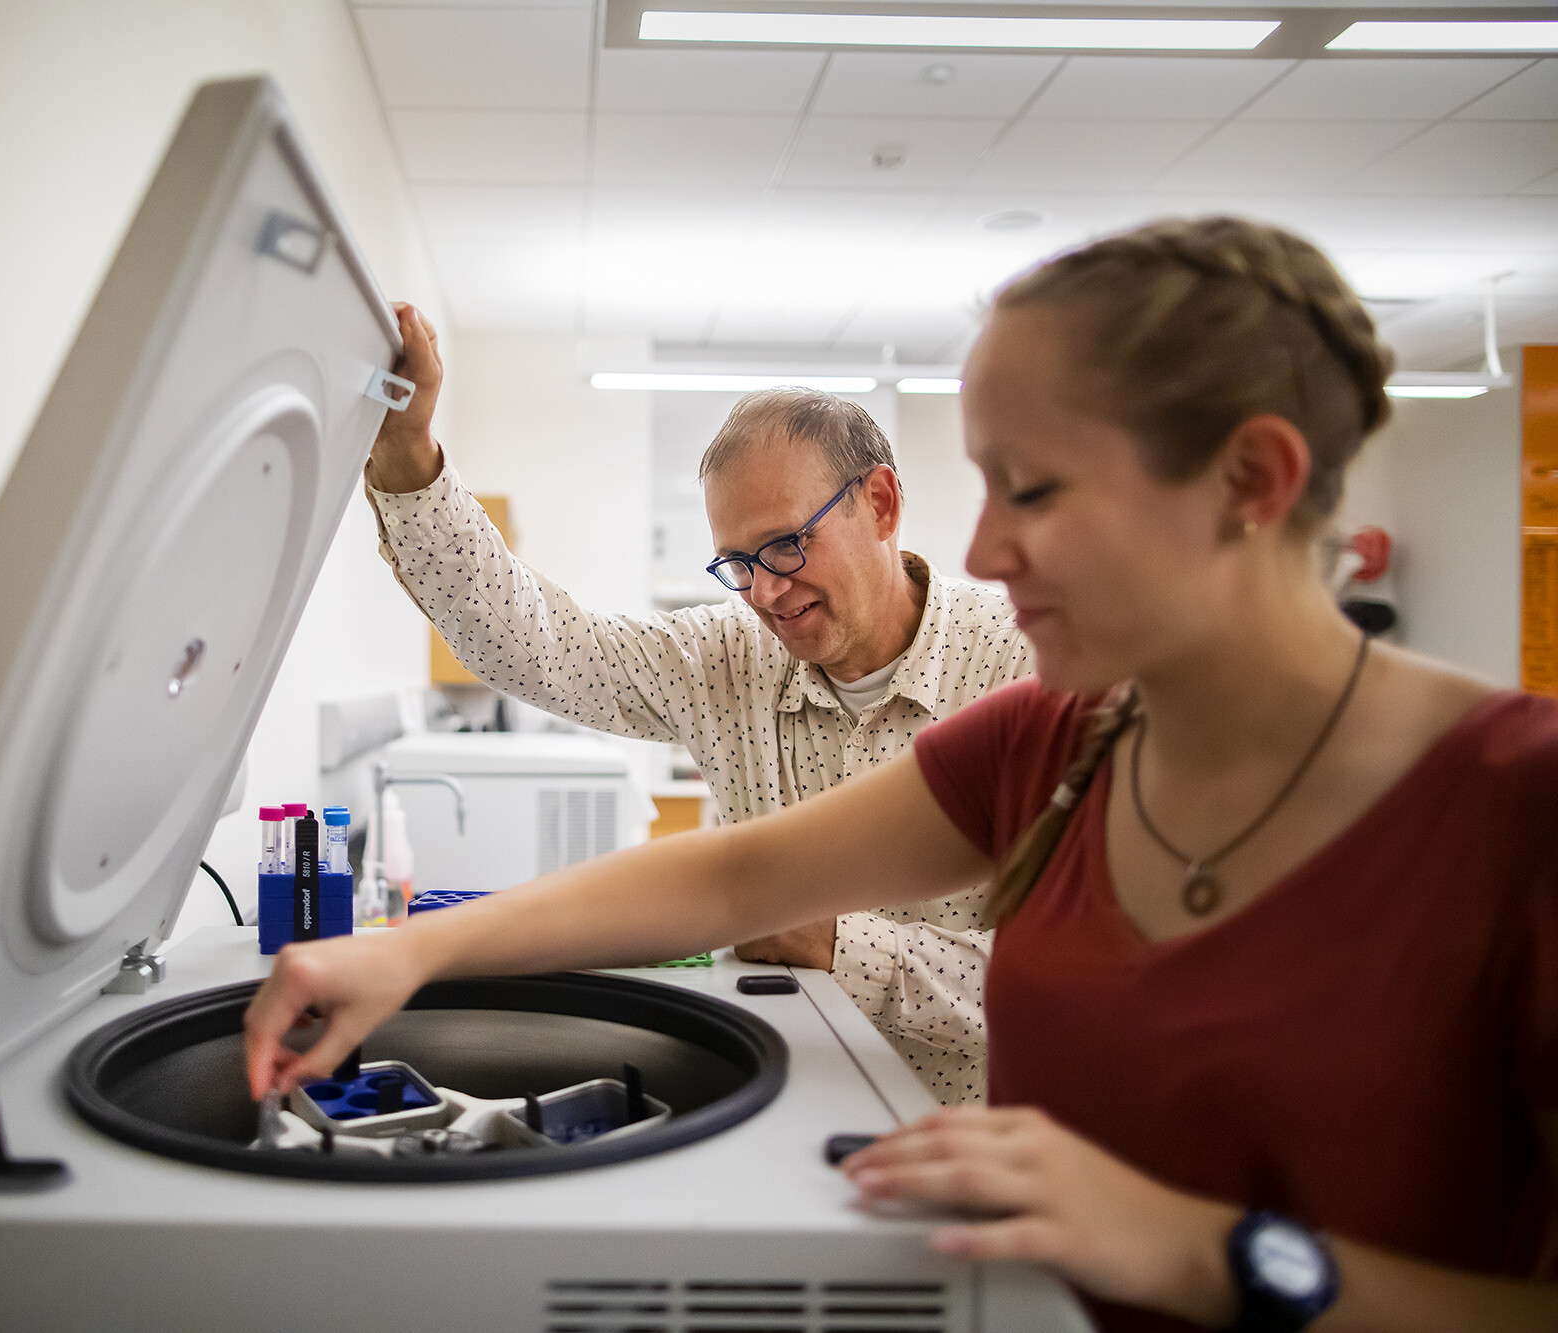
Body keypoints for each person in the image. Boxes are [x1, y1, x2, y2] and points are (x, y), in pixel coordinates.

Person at [247, 216, 1558, 1330]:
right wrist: (409, 955)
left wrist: (1203, 1249)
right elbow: (732, 872)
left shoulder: (1517, 816)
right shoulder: (1062, 743)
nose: (982, 551)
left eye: (1031, 490)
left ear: (1251, 480)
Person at [364, 306, 1032, 1104]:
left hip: (975, 1136)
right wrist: (410, 457)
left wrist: (840, 944)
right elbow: (535, 642)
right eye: (739, 564)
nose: (768, 592)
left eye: (787, 544)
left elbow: (1072, 979)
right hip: (786, 1104)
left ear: (881, 505)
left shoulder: (1023, 669)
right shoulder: (725, 656)